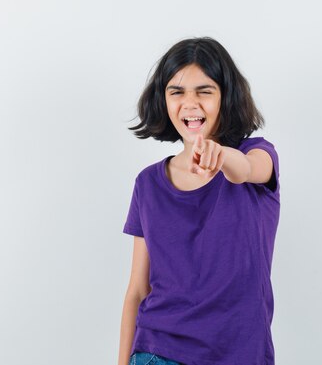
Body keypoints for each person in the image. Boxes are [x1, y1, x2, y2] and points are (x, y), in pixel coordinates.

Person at [118, 37, 281, 365]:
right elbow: (137, 289)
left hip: (240, 354)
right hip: (157, 352)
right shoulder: (148, 183)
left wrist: (220, 156)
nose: (189, 103)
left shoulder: (259, 155)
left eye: (204, 91)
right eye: (176, 92)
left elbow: (246, 170)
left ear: (226, 97)